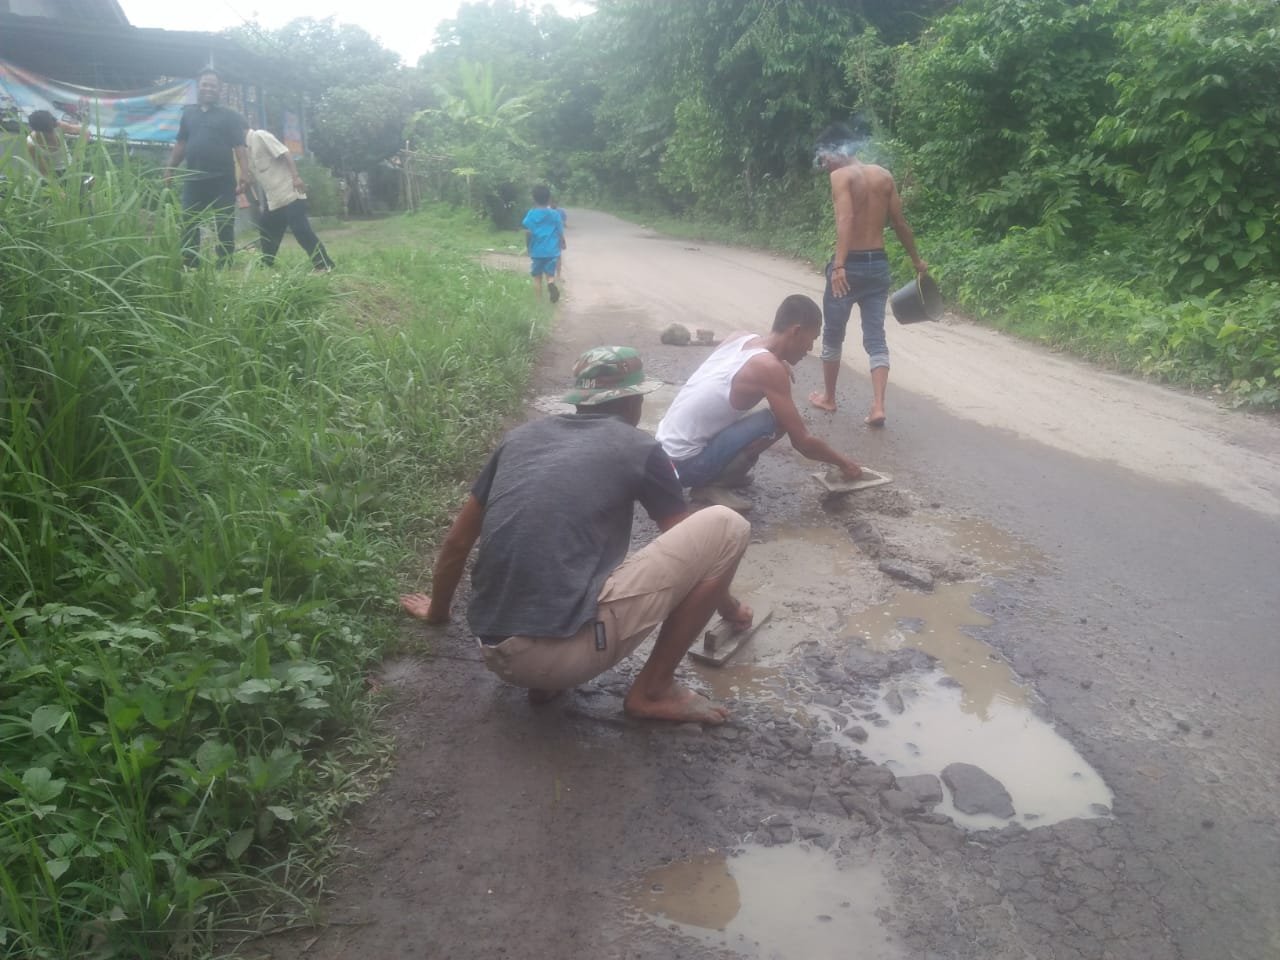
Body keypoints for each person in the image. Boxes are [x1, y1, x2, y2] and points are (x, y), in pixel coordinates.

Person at [399, 346, 752, 725]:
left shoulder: (519, 438)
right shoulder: (641, 448)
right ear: (632, 402)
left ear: (580, 401)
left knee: (561, 549)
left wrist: (437, 613)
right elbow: (695, 546)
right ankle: (654, 690)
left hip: (495, 652)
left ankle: (545, 678)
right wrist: (730, 610)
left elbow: (457, 543)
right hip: (564, 657)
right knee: (726, 526)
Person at [656, 294, 863, 513]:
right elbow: (802, 442)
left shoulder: (741, 338)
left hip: (662, 454)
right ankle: (711, 484)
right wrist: (844, 463)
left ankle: (719, 473)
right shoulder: (768, 368)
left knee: (760, 416)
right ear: (796, 331)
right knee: (778, 421)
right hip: (685, 467)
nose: (810, 348)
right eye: (812, 338)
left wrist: (777, 363)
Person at [809, 123, 928, 427]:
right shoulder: (883, 175)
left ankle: (829, 398)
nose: (824, 165)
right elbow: (900, 224)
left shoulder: (840, 176)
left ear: (836, 151)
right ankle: (878, 405)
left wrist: (839, 266)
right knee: (876, 337)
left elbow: (846, 219)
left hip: (849, 267)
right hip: (879, 265)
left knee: (834, 333)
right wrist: (917, 261)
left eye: (825, 157)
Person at [164, 68, 250, 268]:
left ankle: (225, 263)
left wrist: (245, 173)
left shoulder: (229, 116)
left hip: (222, 179)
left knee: (224, 223)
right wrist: (170, 168)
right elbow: (181, 144)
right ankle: (191, 263)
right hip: (193, 178)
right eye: (205, 84)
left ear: (219, 89)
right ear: (199, 86)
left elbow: (239, 146)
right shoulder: (188, 114)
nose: (209, 89)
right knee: (189, 222)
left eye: (213, 85)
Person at [244, 122, 335, 272]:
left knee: (300, 229)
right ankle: (266, 264)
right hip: (274, 198)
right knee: (267, 227)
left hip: (290, 191)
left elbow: (285, 153)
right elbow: (257, 174)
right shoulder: (245, 150)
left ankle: (324, 265)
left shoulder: (260, 136)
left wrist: (296, 177)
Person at [522, 184, 564, 303]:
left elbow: (528, 233)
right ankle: (551, 284)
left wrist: (528, 248)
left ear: (533, 199)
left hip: (537, 251)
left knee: (537, 277)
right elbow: (560, 231)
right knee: (550, 275)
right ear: (549, 198)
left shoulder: (531, 214)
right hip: (551, 251)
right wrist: (561, 243)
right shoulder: (554, 214)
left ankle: (538, 302)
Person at [25, 109, 87, 180]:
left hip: (70, 167)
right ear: (37, 131)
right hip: (53, 174)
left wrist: (79, 153)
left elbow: (85, 131)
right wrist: (59, 190)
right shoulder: (31, 144)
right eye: (47, 133)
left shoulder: (58, 126)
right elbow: (44, 172)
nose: (51, 135)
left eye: (52, 131)